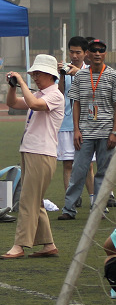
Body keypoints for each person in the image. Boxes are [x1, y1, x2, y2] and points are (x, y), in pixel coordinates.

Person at [1, 55, 64, 258]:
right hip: (32, 151)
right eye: (33, 73)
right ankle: (48, 245)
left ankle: (20, 245)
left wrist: (21, 82)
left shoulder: (55, 95)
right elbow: (12, 103)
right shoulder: (39, 94)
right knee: (35, 201)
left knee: (28, 200)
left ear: (50, 74)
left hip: (42, 153)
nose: (35, 77)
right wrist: (13, 86)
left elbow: (35, 104)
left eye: (37, 73)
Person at [59, 39, 116, 220]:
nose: (97, 53)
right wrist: (76, 130)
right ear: (88, 54)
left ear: (105, 53)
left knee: (103, 172)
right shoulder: (81, 76)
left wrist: (114, 131)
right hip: (85, 131)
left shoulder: (113, 76)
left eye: (101, 50)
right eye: (94, 50)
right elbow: (75, 103)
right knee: (78, 170)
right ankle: (69, 209)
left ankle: (98, 208)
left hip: (107, 131)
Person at [58, 36, 95, 208]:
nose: (74, 55)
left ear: (85, 53)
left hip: (87, 123)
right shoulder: (65, 70)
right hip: (66, 123)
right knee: (68, 163)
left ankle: (96, 202)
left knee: (88, 165)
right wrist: (61, 75)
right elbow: (59, 94)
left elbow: (95, 90)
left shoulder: (92, 70)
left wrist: (77, 73)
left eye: (78, 52)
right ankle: (70, 203)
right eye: (71, 51)